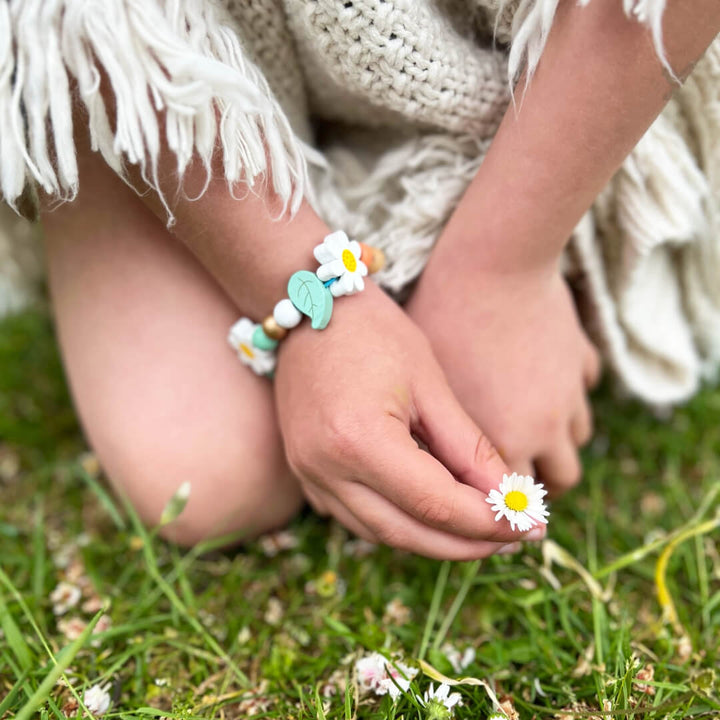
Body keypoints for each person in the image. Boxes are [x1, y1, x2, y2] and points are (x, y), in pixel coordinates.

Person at [3, 0, 720, 557]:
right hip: (183, 70)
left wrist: (501, 268)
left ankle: (505, 210)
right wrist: (309, 298)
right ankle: (96, 121)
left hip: (528, 63)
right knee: (208, 480)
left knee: (486, 379)